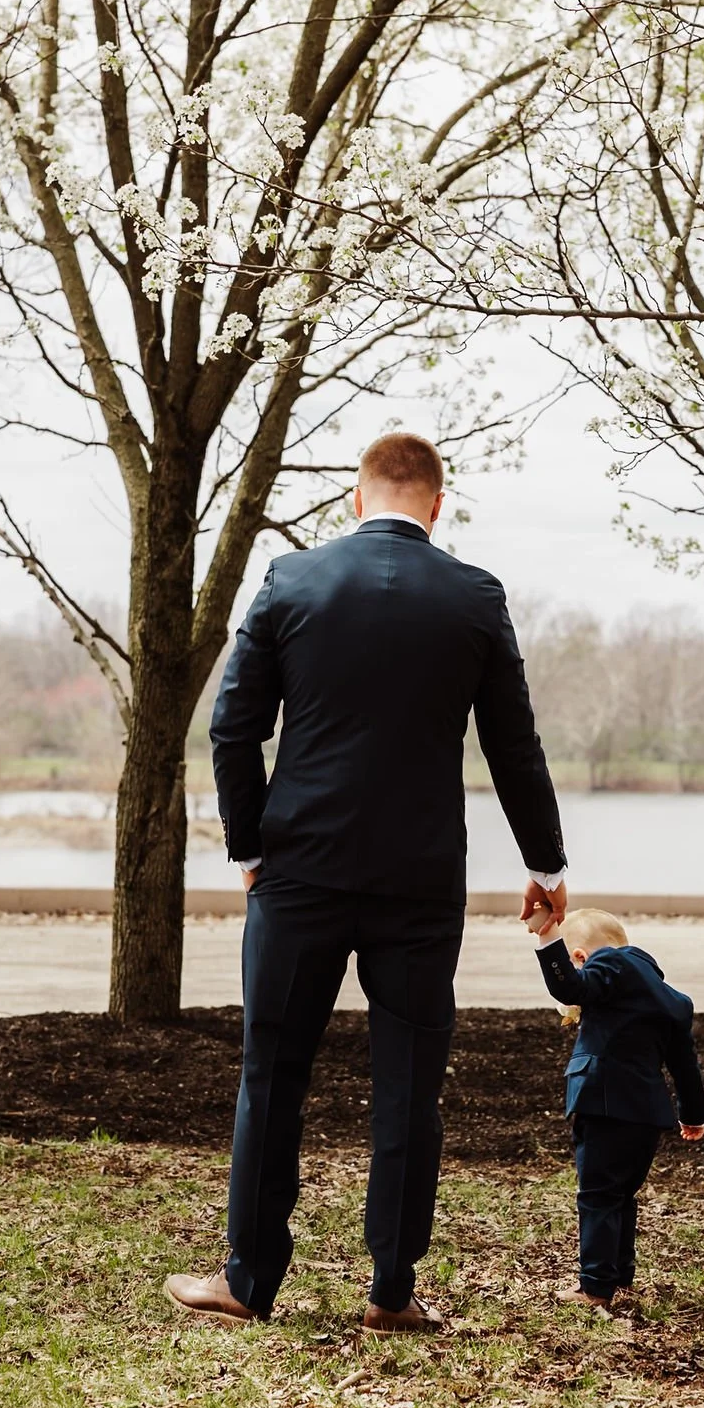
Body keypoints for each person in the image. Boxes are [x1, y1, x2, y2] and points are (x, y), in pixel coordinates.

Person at [166, 432, 567, 1335]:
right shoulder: (475, 597)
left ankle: (249, 1280)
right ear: (435, 502)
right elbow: (514, 745)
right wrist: (545, 864)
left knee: (272, 1071)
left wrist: (247, 847)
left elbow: (233, 728)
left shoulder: (290, 580)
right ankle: (391, 1290)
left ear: (357, 498)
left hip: (298, 868)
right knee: (410, 1081)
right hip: (421, 881)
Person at [525, 905, 704, 1311]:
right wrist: (693, 1114)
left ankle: (594, 1288)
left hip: (603, 1103)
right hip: (646, 1114)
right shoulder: (670, 998)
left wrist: (547, 937)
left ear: (580, 957)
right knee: (622, 1194)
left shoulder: (606, 966)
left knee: (597, 1195)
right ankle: (619, 1274)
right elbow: (685, 1065)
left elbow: (568, 988)